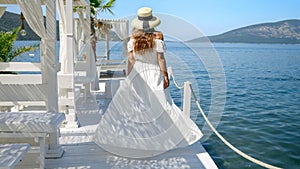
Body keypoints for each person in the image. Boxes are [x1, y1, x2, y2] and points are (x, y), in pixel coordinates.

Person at [94, 7, 203, 158]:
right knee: (161, 106)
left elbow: (131, 59)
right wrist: (164, 74)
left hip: (137, 73)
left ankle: (136, 139)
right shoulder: (158, 36)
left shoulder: (132, 38)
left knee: (135, 107)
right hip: (153, 73)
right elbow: (160, 59)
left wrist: (128, 75)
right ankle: (163, 138)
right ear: (152, 22)